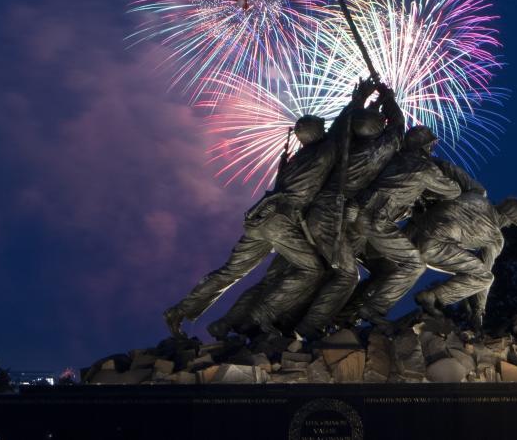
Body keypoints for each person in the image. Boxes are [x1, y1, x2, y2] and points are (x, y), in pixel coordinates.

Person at [161, 80, 376, 337]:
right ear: (318, 133)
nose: (326, 129)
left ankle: (179, 311)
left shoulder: (294, 160)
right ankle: (261, 317)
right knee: (312, 269)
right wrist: (359, 99)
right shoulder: (325, 151)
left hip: (259, 217)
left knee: (230, 272)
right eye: (322, 127)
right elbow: (343, 128)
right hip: (280, 220)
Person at [208, 81, 405, 337]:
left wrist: (362, 99)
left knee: (283, 274)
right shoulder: (380, 149)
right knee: (344, 276)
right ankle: (305, 328)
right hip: (332, 217)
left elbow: (340, 127)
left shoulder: (336, 147)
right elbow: (398, 126)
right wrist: (388, 98)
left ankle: (233, 323)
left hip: (305, 216)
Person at [321, 125, 461, 332]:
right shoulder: (424, 168)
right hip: (375, 221)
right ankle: (373, 309)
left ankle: (343, 316)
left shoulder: (392, 158)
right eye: (431, 145)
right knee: (414, 264)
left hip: (356, 218)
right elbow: (453, 191)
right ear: (426, 146)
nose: (432, 149)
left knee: (385, 269)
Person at [406, 160, 517, 330]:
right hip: (432, 247)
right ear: (508, 219)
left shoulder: (477, 192)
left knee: (467, 268)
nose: (507, 226)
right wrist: (478, 311)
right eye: (510, 224)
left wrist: (424, 155)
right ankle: (432, 297)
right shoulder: (495, 238)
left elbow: (450, 168)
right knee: (485, 278)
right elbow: (484, 271)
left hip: (413, 231)